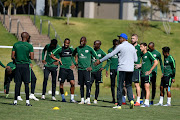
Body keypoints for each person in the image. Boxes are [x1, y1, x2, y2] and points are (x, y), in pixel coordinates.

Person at [95, 33, 137, 109]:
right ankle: (131, 100)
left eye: (120, 38)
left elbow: (110, 54)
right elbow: (136, 59)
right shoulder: (132, 47)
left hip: (122, 69)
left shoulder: (120, 46)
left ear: (123, 39)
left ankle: (119, 105)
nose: (119, 39)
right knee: (129, 85)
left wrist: (100, 61)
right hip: (130, 69)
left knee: (120, 86)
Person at [72, 37, 99, 105]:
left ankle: (88, 99)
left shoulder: (89, 48)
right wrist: (75, 64)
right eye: (81, 41)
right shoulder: (77, 48)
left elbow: (96, 57)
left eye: (83, 41)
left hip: (87, 70)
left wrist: (92, 67)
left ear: (86, 42)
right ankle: (82, 100)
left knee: (88, 84)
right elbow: (72, 55)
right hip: (80, 69)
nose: (81, 42)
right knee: (81, 85)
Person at [50, 38, 77, 103]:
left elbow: (76, 56)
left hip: (69, 69)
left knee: (72, 83)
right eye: (65, 43)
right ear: (64, 43)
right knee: (61, 84)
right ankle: (63, 98)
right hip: (62, 69)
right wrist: (58, 60)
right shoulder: (60, 49)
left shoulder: (71, 50)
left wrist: (75, 64)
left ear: (69, 43)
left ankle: (72, 99)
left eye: (67, 43)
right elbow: (52, 55)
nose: (66, 44)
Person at [12, 32, 34, 106]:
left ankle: (15, 101)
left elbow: (12, 56)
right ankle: (27, 102)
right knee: (26, 84)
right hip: (25, 66)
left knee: (17, 84)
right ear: (27, 37)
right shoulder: (29, 46)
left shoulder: (16, 44)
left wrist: (17, 59)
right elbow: (32, 57)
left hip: (18, 66)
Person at [135, 43, 158, 107]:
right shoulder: (143, 55)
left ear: (145, 47)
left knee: (147, 88)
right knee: (144, 88)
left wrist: (150, 70)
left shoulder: (149, 53)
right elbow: (145, 63)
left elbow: (156, 62)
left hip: (147, 75)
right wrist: (140, 65)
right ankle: (145, 102)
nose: (140, 48)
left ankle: (147, 103)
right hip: (142, 74)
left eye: (141, 47)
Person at [105, 39, 119, 103]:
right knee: (112, 84)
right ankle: (113, 98)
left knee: (119, 84)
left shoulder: (120, 50)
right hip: (112, 69)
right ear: (113, 44)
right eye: (115, 44)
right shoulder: (110, 50)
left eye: (117, 44)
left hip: (119, 69)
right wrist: (107, 69)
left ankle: (119, 99)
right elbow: (108, 60)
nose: (116, 45)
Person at [131, 34, 142, 106]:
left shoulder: (139, 47)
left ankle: (138, 101)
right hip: (129, 67)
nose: (132, 39)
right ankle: (131, 96)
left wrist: (141, 64)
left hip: (136, 69)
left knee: (136, 84)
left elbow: (145, 56)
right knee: (126, 83)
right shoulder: (129, 47)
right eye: (131, 38)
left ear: (137, 39)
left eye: (134, 38)